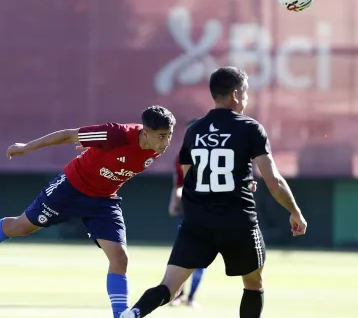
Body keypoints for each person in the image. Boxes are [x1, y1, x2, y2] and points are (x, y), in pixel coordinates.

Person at [0, 105, 176, 318]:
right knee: (21, 227)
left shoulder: (155, 148)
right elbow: (69, 135)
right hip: (70, 188)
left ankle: (120, 315)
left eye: (169, 135)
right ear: (145, 132)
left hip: (103, 201)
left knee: (119, 258)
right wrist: (27, 147)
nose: (166, 142)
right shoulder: (116, 134)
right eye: (162, 136)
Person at [120, 66, 307, 318]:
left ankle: (133, 314)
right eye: (246, 92)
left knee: (169, 286)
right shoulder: (250, 128)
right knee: (253, 284)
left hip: (197, 222)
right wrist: (294, 211)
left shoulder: (194, 130)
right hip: (237, 221)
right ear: (236, 94)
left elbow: (189, 176)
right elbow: (272, 180)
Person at [168, 119, 205, 308]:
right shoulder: (182, 155)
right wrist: (174, 201)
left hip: (210, 210)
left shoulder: (211, 153)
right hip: (189, 209)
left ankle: (191, 296)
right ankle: (179, 294)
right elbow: (179, 182)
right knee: (184, 251)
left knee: (203, 256)